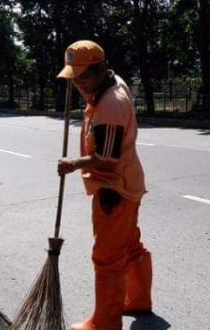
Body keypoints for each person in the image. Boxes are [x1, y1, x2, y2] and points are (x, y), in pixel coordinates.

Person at [56, 40, 153, 330]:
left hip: (115, 189)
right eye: (73, 77)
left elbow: (107, 159)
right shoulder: (108, 85)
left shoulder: (110, 104)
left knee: (107, 257)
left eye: (82, 77)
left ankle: (105, 323)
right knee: (130, 245)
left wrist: (73, 164)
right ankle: (138, 301)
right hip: (129, 182)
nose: (77, 84)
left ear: (99, 70)